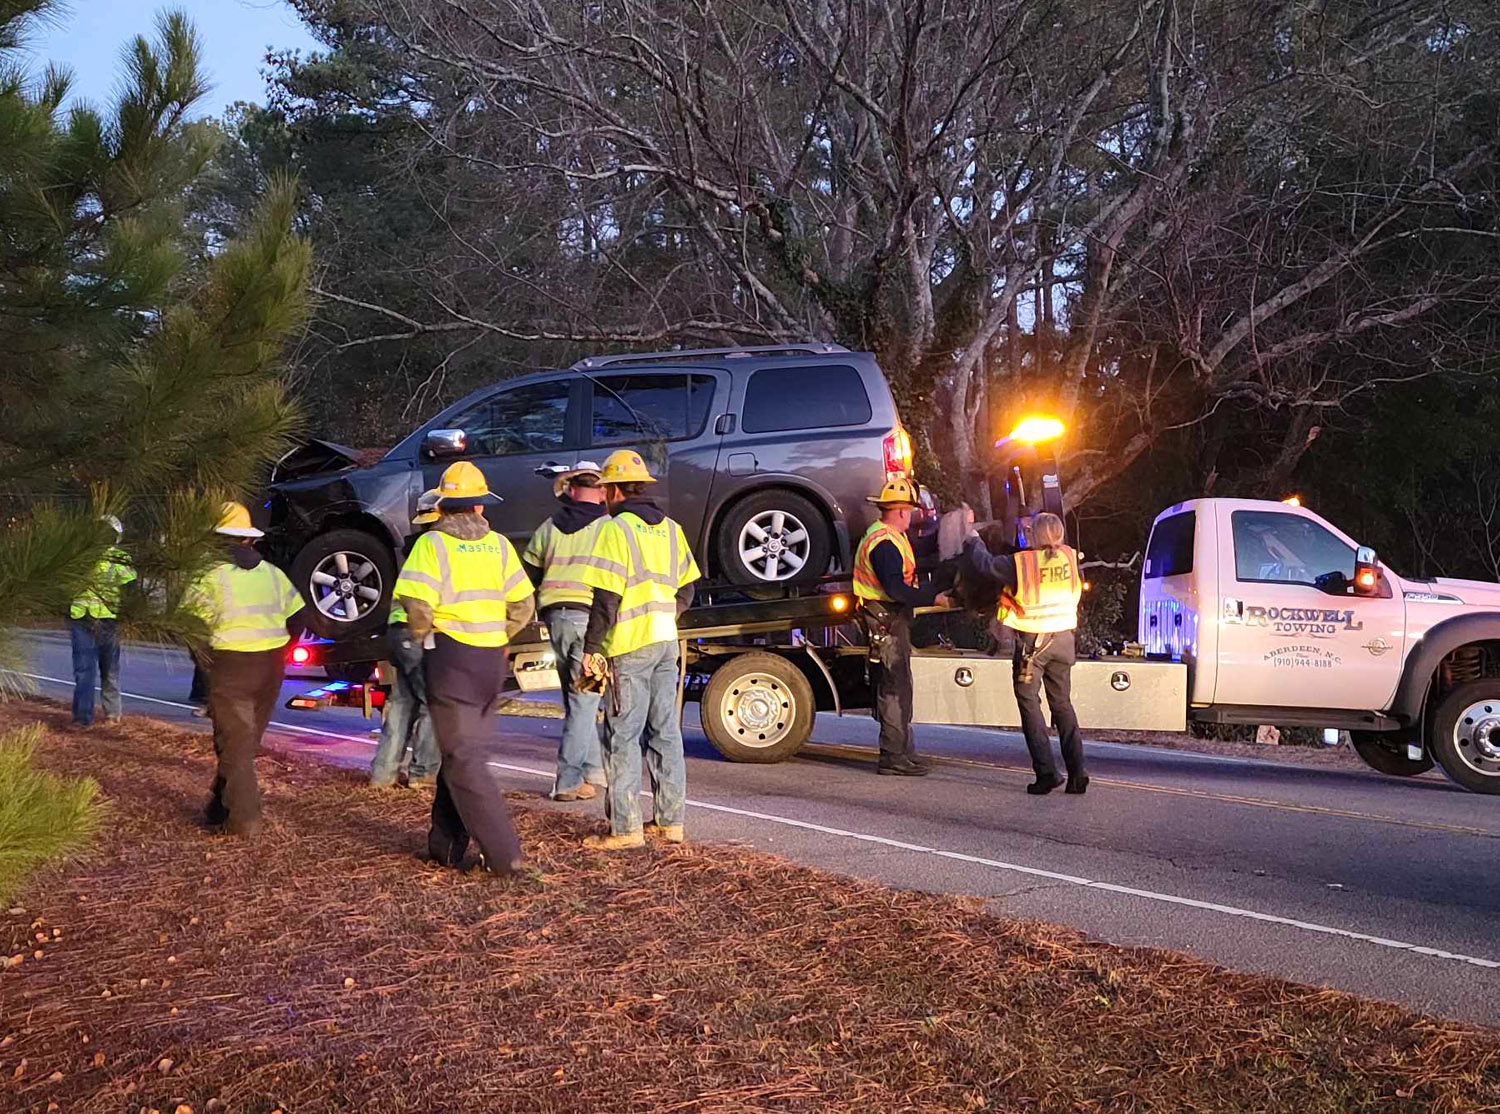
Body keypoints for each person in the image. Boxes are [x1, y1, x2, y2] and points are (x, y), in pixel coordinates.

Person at [392, 461, 535, 874]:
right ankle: (445, 846)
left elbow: (417, 606)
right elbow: (524, 606)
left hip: (451, 658)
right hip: (490, 662)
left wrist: (420, 640)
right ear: (477, 508)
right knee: (458, 755)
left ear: (445, 506)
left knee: (464, 759)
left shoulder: (432, 545)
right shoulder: (501, 545)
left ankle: (506, 857)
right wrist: (500, 634)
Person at [578, 449, 699, 850]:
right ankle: (670, 823)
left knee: (622, 737)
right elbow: (688, 588)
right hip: (666, 642)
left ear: (613, 490)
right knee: (665, 733)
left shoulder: (616, 530)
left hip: (629, 646)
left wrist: (591, 647)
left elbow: (606, 598)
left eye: (604, 490)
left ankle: (625, 830)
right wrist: (666, 616)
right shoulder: (672, 529)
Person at [186, 502, 308, 837]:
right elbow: (299, 616)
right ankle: (218, 807)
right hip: (270, 666)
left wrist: (204, 662)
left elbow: (189, 627)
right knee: (241, 744)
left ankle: (244, 821)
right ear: (248, 540)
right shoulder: (272, 573)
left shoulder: (205, 576)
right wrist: (282, 648)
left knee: (234, 747)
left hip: (230, 664)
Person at [949, 509, 1088, 795]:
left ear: (1032, 536)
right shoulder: (1070, 557)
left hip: (1033, 645)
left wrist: (973, 537)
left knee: (1030, 706)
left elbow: (985, 565)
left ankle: (1047, 773)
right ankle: (1077, 773)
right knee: (1062, 705)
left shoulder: (1022, 563)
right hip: (1063, 640)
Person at [522, 461, 610, 801]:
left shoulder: (549, 526)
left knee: (577, 699)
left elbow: (528, 573)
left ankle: (592, 770)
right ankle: (568, 779)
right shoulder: (607, 527)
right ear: (601, 491)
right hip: (589, 622)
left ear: (571, 489)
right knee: (585, 699)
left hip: (555, 619)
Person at [852, 478, 942, 776]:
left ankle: (903, 751)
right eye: (911, 511)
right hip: (885, 620)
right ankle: (892, 755)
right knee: (893, 688)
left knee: (900, 685)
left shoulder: (890, 536)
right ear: (902, 511)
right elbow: (896, 589)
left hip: (889, 619)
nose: (913, 516)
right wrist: (934, 597)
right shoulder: (884, 543)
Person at [369, 489, 443, 789]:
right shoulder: (436, 546)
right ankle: (423, 773)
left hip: (398, 630)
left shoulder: (414, 547)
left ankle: (383, 774)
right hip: (419, 630)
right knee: (434, 703)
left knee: (402, 703)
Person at [68, 515, 136, 728]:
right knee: (84, 670)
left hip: (107, 618)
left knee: (109, 669)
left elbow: (130, 586)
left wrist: (128, 613)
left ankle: (112, 714)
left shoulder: (119, 558)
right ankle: (82, 717)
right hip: (81, 616)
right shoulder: (79, 556)